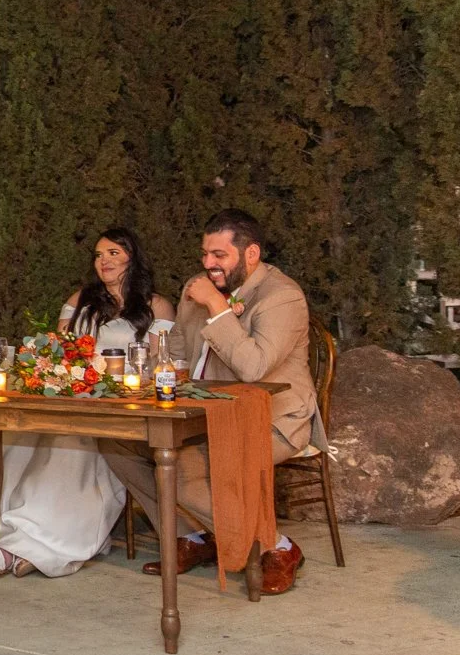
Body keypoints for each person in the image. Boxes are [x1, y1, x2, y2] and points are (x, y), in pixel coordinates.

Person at [98, 208, 321, 596]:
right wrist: (146, 376)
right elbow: (178, 352)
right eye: (205, 254)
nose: (208, 264)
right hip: (205, 413)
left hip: (275, 418)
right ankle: (195, 536)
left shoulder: (282, 297)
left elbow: (253, 367)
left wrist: (218, 309)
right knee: (116, 441)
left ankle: (276, 547)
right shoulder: (197, 287)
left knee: (181, 470)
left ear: (251, 253)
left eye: (219, 255)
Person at [0, 228, 175, 577]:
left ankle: (31, 544)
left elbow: (160, 366)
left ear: (133, 257)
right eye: (98, 255)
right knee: (18, 437)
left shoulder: (156, 306)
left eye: (113, 253)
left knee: (68, 444)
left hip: (118, 408)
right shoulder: (80, 299)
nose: (104, 261)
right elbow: (59, 352)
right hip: (72, 397)